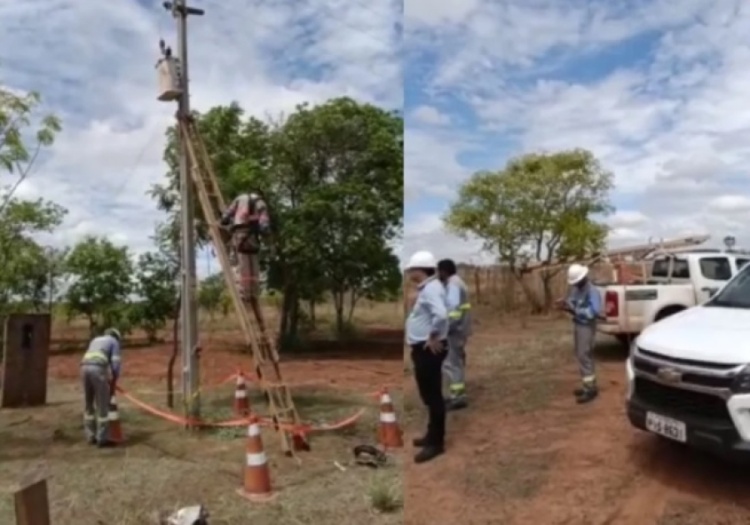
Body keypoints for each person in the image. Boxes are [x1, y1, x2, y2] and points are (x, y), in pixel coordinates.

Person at [405, 250, 450, 463]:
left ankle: (436, 443)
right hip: (422, 348)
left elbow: (441, 315)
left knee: (433, 397)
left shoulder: (431, 288)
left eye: (411, 269)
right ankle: (431, 436)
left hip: (428, 349)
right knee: (429, 395)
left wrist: (433, 335)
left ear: (420, 270)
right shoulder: (428, 288)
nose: (409, 272)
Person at [220, 191, 271, 333]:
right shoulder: (260, 202)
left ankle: (245, 293)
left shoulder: (239, 199)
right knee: (252, 265)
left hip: (240, 236)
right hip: (252, 238)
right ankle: (252, 292)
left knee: (242, 265)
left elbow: (227, 214)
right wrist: (265, 230)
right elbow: (264, 221)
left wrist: (224, 220)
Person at [562, 264, 602, 404]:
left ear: (583, 278)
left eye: (577, 281)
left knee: (584, 355)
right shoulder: (577, 289)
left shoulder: (592, 291)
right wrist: (565, 304)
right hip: (578, 324)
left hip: (586, 326)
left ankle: (590, 389)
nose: (576, 284)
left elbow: (594, 312)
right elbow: (573, 302)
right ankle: (588, 385)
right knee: (581, 354)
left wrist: (576, 311)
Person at [437, 258, 472, 411]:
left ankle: (458, 397)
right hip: (461, 329)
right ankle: (455, 395)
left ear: (444, 271)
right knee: (455, 362)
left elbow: (454, 313)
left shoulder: (452, 285)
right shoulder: (458, 282)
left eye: (439, 271)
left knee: (452, 363)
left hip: (454, 331)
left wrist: (442, 330)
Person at [80, 327, 122, 447]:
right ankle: (102, 439)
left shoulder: (96, 340)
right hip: (97, 369)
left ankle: (90, 436)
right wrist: (113, 382)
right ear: (116, 337)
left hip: (84, 368)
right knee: (102, 404)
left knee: (89, 403)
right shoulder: (114, 342)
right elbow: (115, 365)